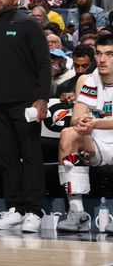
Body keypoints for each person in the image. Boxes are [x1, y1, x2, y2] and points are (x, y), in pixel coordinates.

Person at [0, 0, 51, 232]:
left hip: (26, 103)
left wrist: (42, 98)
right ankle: (15, 209)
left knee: (31, 156)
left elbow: (43, 63)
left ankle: (34, 210)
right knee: (6, 158)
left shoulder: (29, 23)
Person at [55, 35, 113, 232]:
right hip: (96, 146)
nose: (103, 59)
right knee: (68, 134)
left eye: (109, 54)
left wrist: (95, 122)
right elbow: (75, 117)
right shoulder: (91, 79)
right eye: (99, 54)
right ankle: (77, 213)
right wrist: (82, 122)